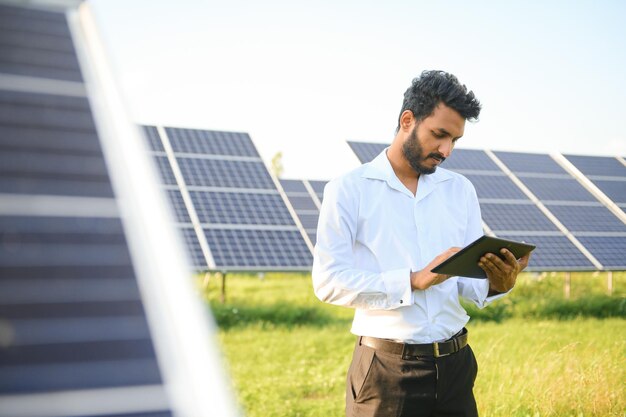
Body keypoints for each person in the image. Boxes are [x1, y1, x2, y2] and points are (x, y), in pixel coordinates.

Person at [312, 70, 530, 417]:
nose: (446, 150)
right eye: (439, 135)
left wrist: (496, 284)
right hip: (385, 374)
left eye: (455, 139)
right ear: (407, 120)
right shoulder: (348, 189)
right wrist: (412, 280)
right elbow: (328, 282)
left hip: (457, 367)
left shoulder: (460, 191)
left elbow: (469, 284)